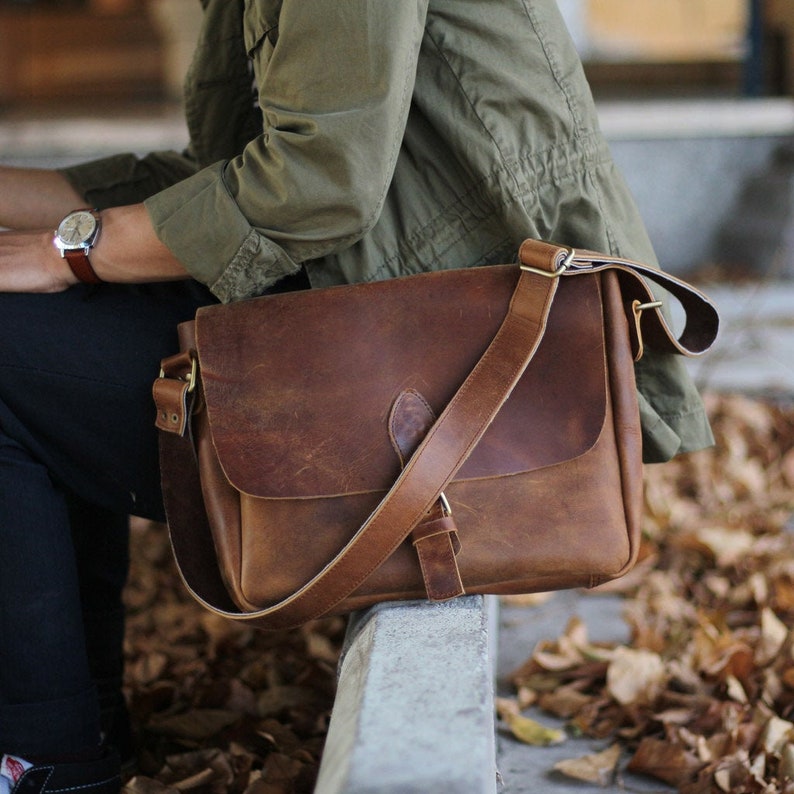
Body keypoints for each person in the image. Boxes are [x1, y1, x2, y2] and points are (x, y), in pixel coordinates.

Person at [0, 1, 714, 792]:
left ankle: (44, 756)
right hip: (404, 325)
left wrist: (66, 254)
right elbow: (232, 177)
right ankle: (69, 732)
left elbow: (316, 183)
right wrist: (46, 232)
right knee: (39, 337)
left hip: (458, 372)